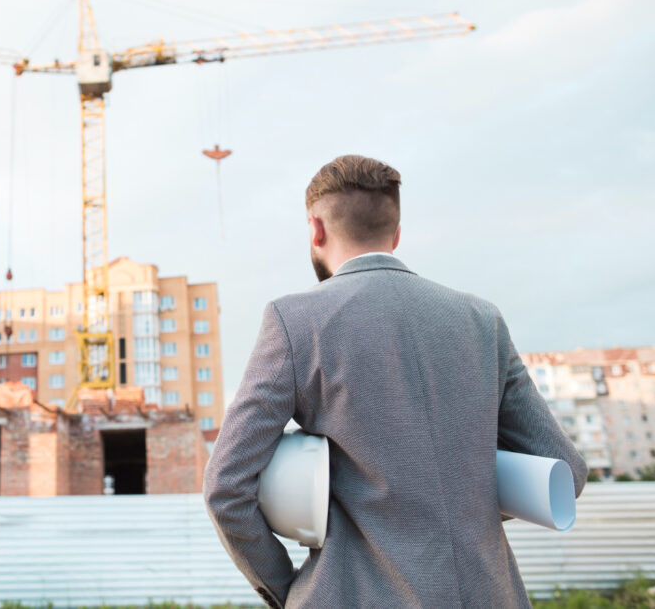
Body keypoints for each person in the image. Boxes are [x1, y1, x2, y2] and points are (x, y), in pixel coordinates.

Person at [203, 155, 587, 608]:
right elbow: (566, 469)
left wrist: (290, 590)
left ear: (316, 230)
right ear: (396, 233)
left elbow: (226, 488)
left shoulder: (295, 322)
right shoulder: (483, 320)